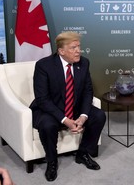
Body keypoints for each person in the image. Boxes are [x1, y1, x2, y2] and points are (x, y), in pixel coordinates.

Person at [30, 31, 106, 181]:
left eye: (79, 46)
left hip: (74, 106)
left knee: (98, 115)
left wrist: (83, 116)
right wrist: (65, 120)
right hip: (50, 109)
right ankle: (52, 161)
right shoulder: (44, 66)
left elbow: (87, 92)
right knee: (47, 125)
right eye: (73, 48)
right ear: (61, 51)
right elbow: (43, 99)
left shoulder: (84, 63)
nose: (78, 51)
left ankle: (83, 153)